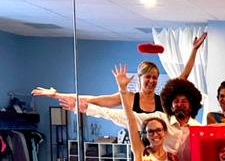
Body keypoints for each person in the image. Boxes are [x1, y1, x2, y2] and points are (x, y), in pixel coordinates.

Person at [33, 33, 207, 114]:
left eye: (155, 77)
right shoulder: (129, 97)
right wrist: (55, 95)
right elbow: (93, 99)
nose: (152, 81)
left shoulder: (161, 99)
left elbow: (183, 77)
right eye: (148, 77)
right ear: (139, 79)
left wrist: (194, 51)